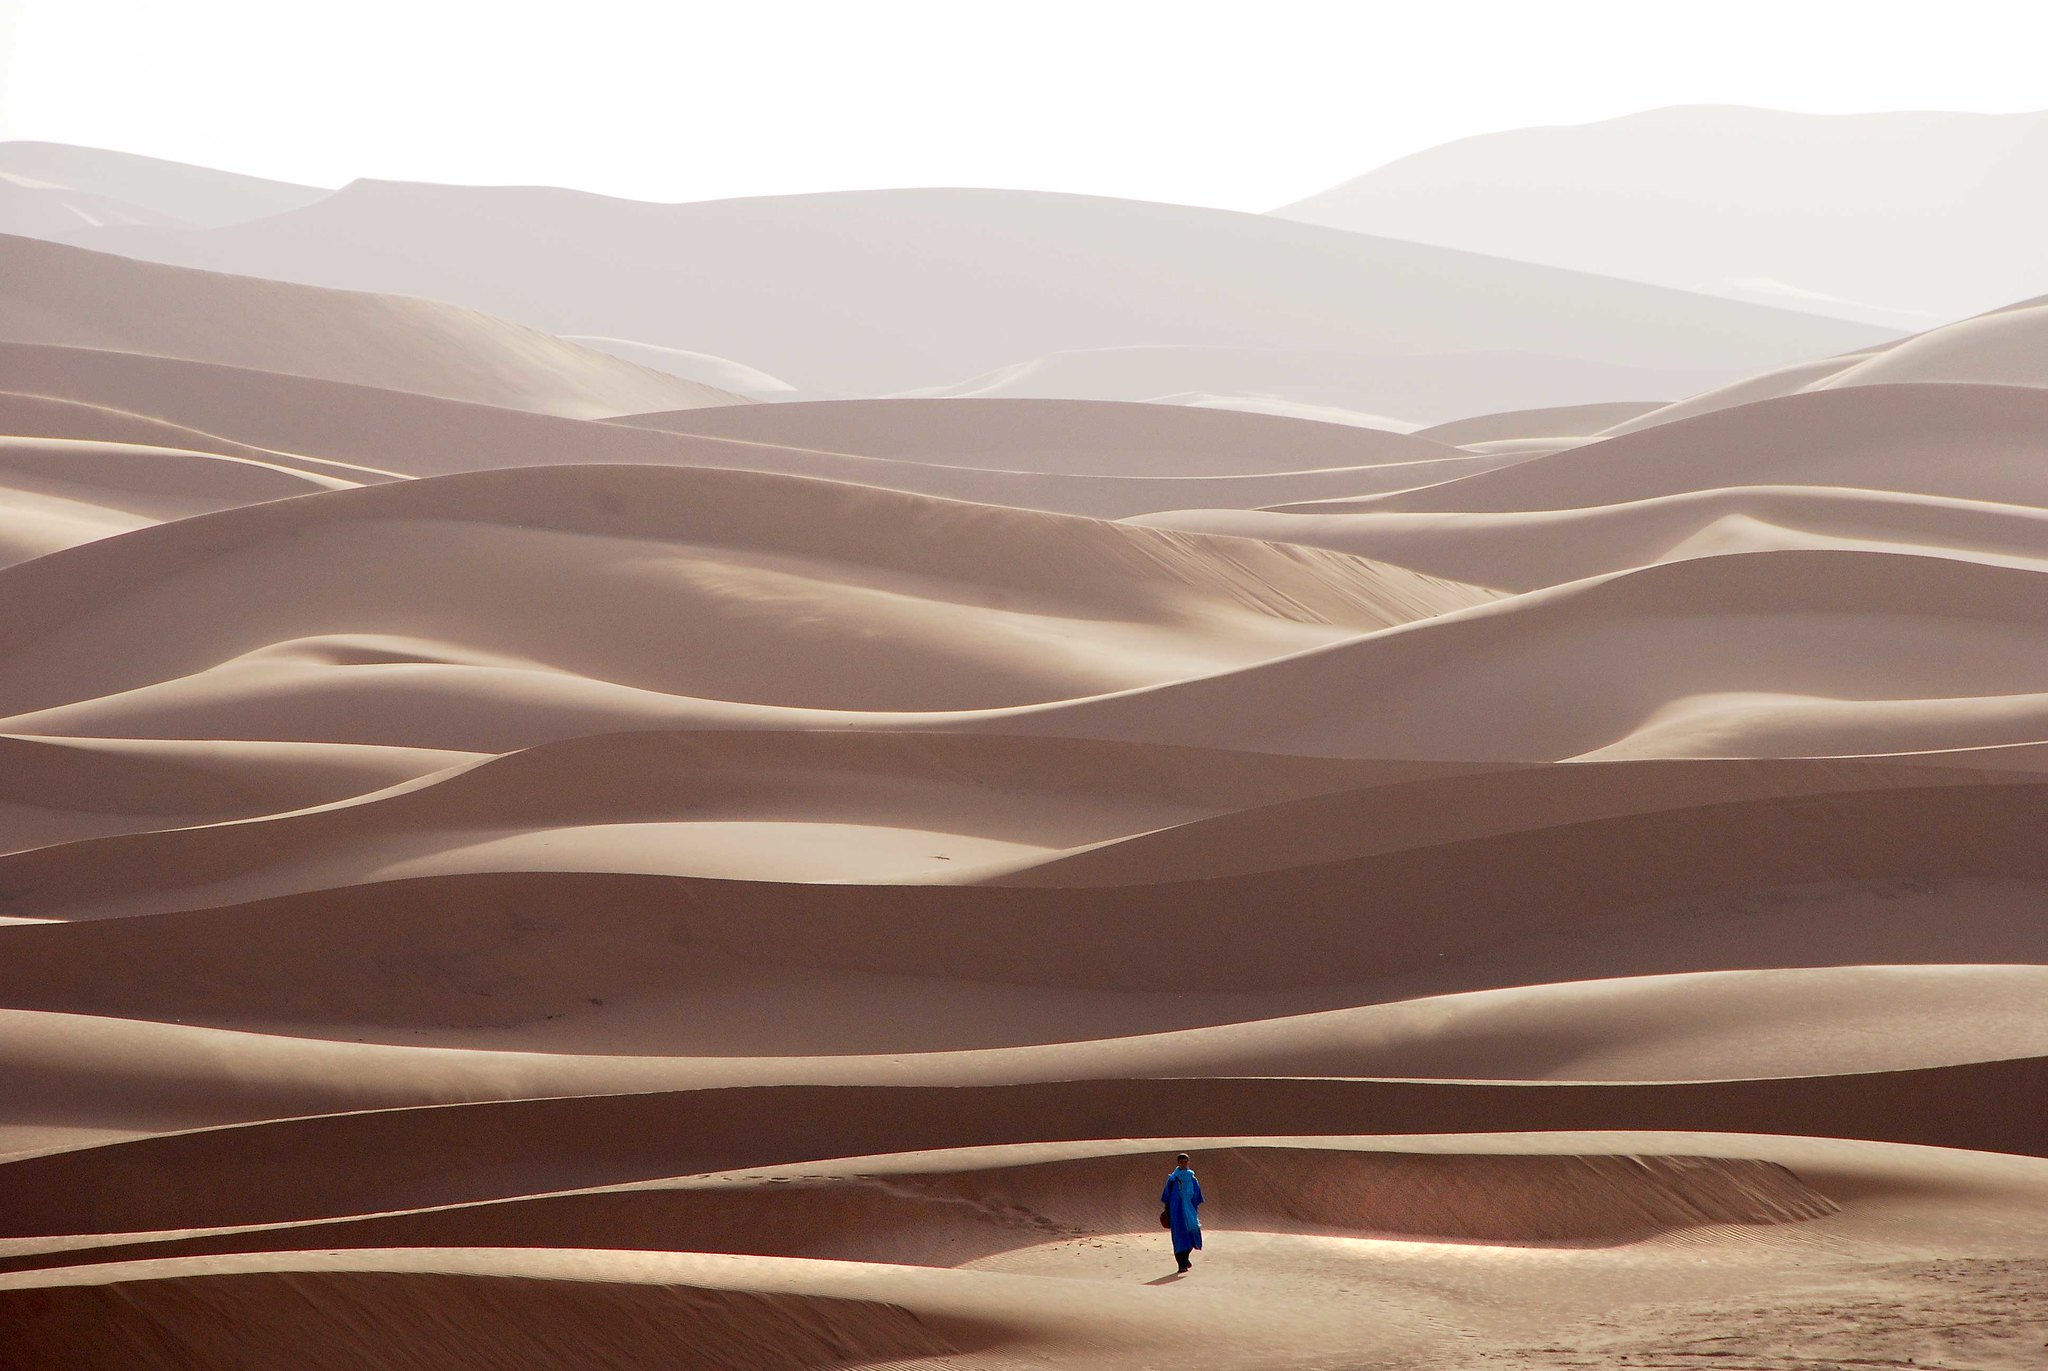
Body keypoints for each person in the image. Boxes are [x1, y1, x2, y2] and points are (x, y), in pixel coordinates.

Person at [1160, 1152, 1203, 1272]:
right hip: (1176, 1213)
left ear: (1188, 1162)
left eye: (1185, 1161)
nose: (1183, 1164)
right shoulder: (1173, 1179)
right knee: (1179, 1238)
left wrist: (1192, 1209)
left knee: (1191, 1236)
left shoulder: (1193, 1179)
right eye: (1181, 1162)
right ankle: (1181, 1264)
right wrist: (1167, 1211)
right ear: (1178, 1163)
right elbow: (1166, 1197)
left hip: (1189, 1212)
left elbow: (1197, 1197)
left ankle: (1186, 1259)